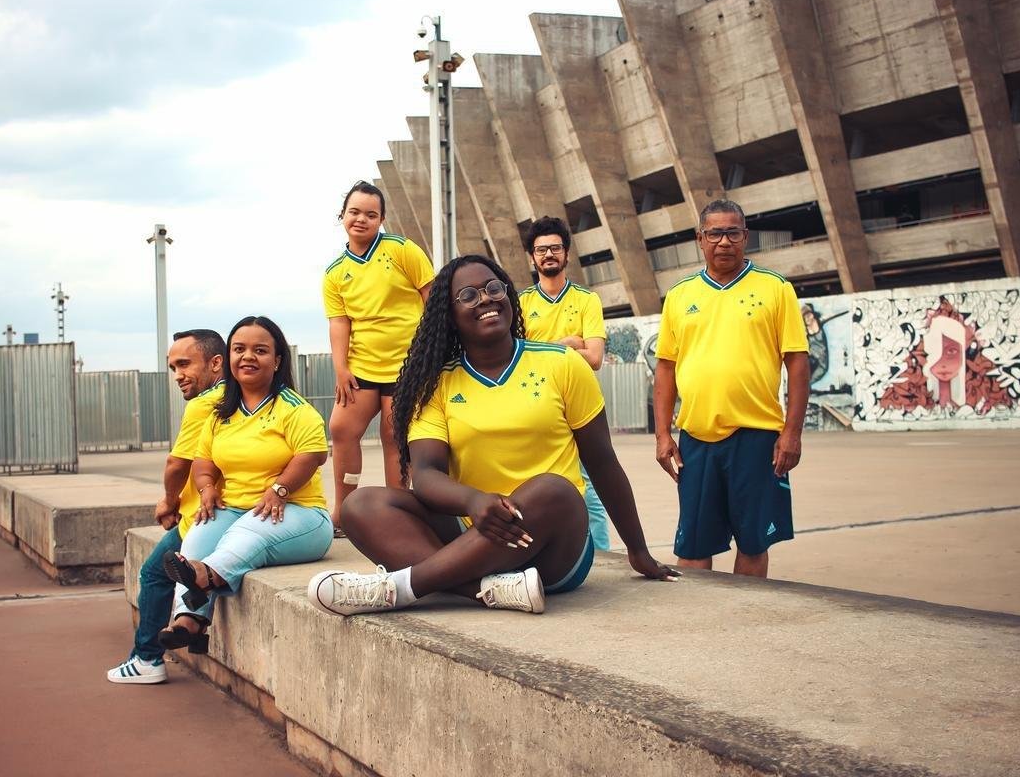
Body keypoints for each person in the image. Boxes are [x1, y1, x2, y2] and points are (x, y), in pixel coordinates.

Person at [307, 255, 678, 618]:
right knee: (361, 506)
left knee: (554, 489)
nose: (484, 298)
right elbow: (425, 473)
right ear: (448, 315)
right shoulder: (436, 383)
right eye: (468, 295)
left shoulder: (562, 364)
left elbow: (602, 462)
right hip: (474, 528)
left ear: (509, 297)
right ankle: (486, 591)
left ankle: (398, 589)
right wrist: (474, 501)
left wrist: (638, 549)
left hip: (550, 543)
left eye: (493, 288)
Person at [653, 198, 810, 579]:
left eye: (732, 232)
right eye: (715, 233)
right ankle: (694, 626)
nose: (724, 241)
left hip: (757, 437)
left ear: (746, 237)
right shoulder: (679, 295)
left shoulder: (776, 289)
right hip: (696, 438)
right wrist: (662, 435)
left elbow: (798, 362)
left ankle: (745, 624)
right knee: (692, 546)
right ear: (700, 239)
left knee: (753, 542)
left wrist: (791, 433)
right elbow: (666, 368)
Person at [158, 316, 333, 651]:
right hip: (236, 508)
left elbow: (313, 454)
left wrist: (279, 489)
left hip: (300, 515)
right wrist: (207, 488)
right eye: (239, 349)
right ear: (229, 357)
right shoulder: (219, 413)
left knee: (247, 531)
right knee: (198, 535)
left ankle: (204, 576)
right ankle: (189, 621)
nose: (248, 356)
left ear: (277, 360)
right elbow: (203, 461)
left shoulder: (294, 409)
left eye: (260, 350)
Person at [106, 328, 225, 684]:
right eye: (173, 367)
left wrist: (168, 501)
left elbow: (178, 463)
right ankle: (192, 626)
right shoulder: (239, 397)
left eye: (185, 364)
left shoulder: (204, 403)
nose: (178, 375)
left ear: (216, 363)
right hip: (235, 509)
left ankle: (146, 659)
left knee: (155, 573)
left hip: (209, 513)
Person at [322, 181, 434, 530]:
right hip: (362, 366)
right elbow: (340, 324)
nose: (361, 219)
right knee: (341, 428)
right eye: (354, 212)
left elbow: (432, 298)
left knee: (393, 436)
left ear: (381, 219)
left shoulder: (403, 250)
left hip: (406, 365)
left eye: (371, 214)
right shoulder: (335, 272)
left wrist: (431, 353)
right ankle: (344, 508)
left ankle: (397, 511)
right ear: (343, 215)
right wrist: (341, 368)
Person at [518, 215, 611, 550]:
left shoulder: (587, 300)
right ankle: (546, 552)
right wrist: (567, 345)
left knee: (591, 488)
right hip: (536, 406)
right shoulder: (522, 303)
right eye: (541, 250)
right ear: (532, 257)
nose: (548, 255)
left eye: (555, 248)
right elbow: (518, 357)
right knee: (536, 484)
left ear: (567, 253)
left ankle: (601, 556)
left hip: (582, 406)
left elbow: (596, 357)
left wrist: (546, 349)